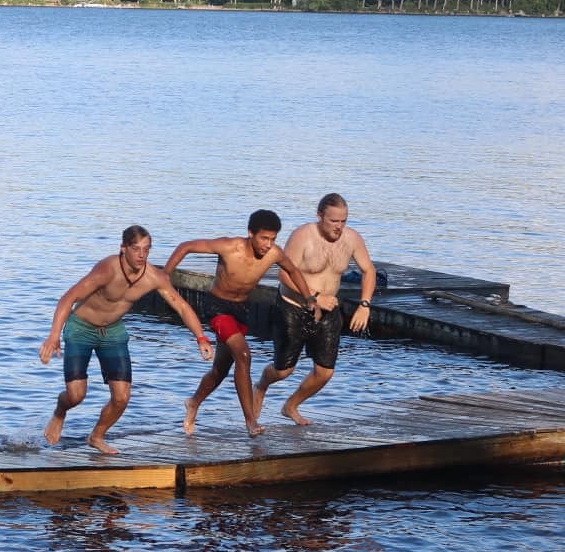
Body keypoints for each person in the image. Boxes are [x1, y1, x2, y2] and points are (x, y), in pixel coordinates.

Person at [39, 225, 213, 454]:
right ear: (123, 248)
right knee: (76, 395)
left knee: (122, 398)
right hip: (81, 328)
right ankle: (60, 412)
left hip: (112, 332)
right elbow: (68, 298)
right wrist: (53, 336)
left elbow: (180, 305)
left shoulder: (153, 276)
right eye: (136, 249)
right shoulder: (107, 269)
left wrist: (201, 337)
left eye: (147, 250)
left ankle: (97, 436)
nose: (142, 255)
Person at [164, 210, 317, 438]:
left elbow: (293, 270)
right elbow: (186, 246)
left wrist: (309, 298)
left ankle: (193, 402)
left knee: (220, 370)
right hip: (218, 308)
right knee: (244, 355)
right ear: (250, 233)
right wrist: (166, 275)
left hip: (241, 311)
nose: (268, 245)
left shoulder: (274, 254)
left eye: (273, 239)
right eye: (264, 238)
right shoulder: (228, 247)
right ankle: (251, 421)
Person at [256, 193, 378, 426]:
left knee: (325, 372)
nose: (339, 227)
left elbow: (369, 270)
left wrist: (364, 305)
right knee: (283, 372)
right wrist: (315, 296)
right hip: (294, 307)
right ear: (320, 215)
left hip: (328, 310)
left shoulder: (352, 238)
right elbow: (283, 273)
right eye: (334, 221)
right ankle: (261, 386)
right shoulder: (303, 236)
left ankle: (290, 406)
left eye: (343, 221)